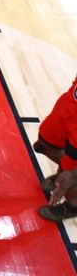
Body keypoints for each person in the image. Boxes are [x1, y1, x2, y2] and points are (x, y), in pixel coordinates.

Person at [34, 74, 77, 221]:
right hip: (70, 107)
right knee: (45, 143)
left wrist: (69, 171)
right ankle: (64, 174)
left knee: (71, 174)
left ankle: (73, 205)